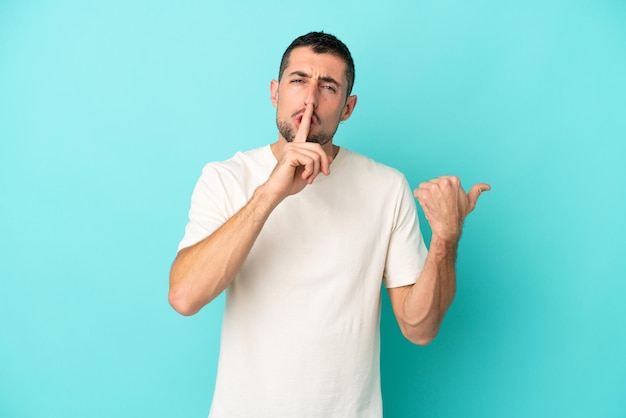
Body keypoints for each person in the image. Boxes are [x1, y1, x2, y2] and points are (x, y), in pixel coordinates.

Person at [169, 31, 490, 418]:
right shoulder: (225, 178)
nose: (309, 99)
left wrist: (445, 238)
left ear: (348, 107)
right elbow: (184, 297)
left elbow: (419, 329)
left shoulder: (386, 187)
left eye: (328, 87)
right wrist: (270, 193)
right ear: (275, 92)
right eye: (298, 80)